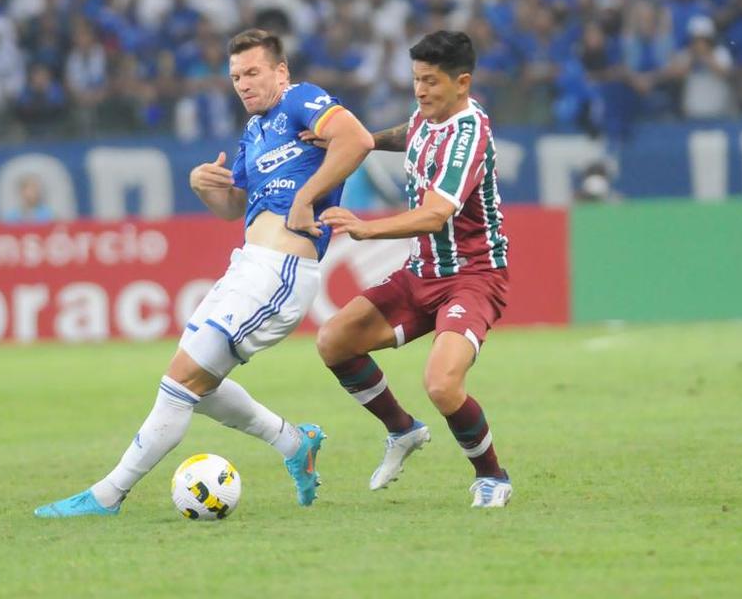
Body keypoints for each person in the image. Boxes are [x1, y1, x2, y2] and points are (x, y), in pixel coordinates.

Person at [34, 28, 374, 518]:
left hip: (282, 273)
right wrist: (202, 185)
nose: (243, 83)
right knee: (200, 384)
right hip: (247, 266)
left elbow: (356, 139)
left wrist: (305, 197)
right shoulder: (255, 131)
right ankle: (293, 442)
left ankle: (106, 496)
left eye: (253, 72)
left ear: (281, 71)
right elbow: (234, 206)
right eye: (236, 76)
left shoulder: (302, 100)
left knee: (181, 381)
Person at [309, 31, 514, 508]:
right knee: (334, 339)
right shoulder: (428, 117)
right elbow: (410, 133)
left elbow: (435, 214)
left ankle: (492, 477)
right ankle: (402, 430)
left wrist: (365, 230)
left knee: (442, 383)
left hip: (472, 277)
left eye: (431, 82)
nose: (420, 91)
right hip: (421, 272)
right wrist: (361, 142)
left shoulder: (469, 134)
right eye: (416, 80)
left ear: (462, 83)